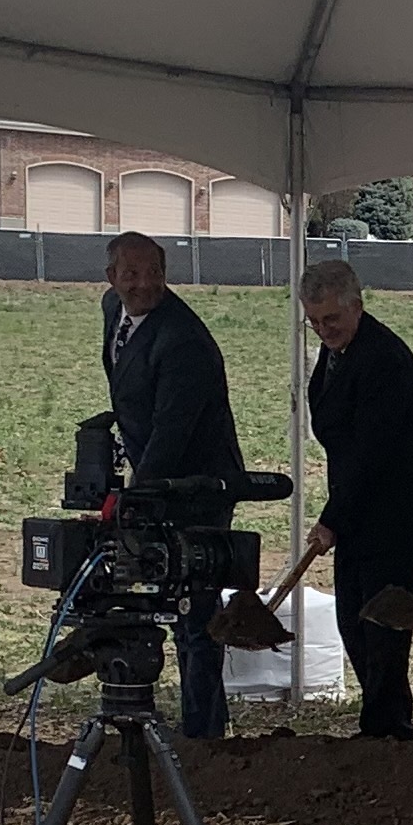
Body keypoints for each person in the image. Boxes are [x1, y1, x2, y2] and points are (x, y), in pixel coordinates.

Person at [296, 259, 413, 741]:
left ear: (357, 306)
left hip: (398, 512)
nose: (323, 329)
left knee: (383, 624)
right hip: (359, 509)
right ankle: (381, 724)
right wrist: (340, 515)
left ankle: (388, 730)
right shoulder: (338, 352)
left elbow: (372, 451)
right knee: (352, 618)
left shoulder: (383, 360)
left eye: (331, 318)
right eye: (314, 321)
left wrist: (331, 520)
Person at [99, 230, 246, 738]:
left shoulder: (183, 341)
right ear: (111, 277)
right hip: (155, 472)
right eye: (131, 274)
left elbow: (172, 431)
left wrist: (136, 497)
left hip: (198, 487)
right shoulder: (113, 310)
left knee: (194, 612)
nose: (144, 284)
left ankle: (203, 734)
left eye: (155, 274)